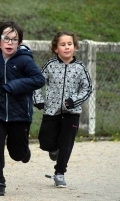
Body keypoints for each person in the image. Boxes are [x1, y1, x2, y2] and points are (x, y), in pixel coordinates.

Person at [0, 20, 45, 196]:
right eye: (6, 38)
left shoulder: (25, 60)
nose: (10, 43)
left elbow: (39, 80)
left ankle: (24, 153)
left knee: (17, 154)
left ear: (19, 42)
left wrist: (13, 86)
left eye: (14, 39)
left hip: (20, 114)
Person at [33, 30, 93, 188]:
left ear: (74, 47)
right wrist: (38, 100)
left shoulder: (80, 67)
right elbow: (37, 82)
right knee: (45, 141)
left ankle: (60, 173)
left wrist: (74, 101)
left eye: (70, 44)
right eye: (63, 44)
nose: (67, 47)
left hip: (71, 114)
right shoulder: (50, 65)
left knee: (66, 143)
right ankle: (53, 150)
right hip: (51, 111)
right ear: (55, 48)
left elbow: (87, 88)